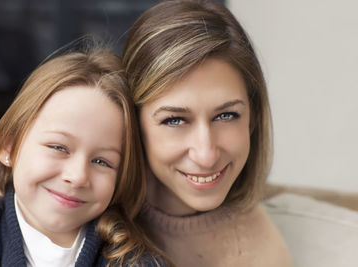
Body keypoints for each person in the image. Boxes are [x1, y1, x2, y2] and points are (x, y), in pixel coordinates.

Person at [0, 42, 164, 266]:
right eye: (59, 148)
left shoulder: (135, 261)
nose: (77, 176)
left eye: (101, 161)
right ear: (8, 147)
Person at [123, 0, 293, 266]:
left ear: (253, 118)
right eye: (175, 120)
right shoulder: (82, 214)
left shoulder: (263, 254)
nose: (206, 155)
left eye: (226, 116)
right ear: (134, 122)